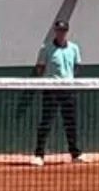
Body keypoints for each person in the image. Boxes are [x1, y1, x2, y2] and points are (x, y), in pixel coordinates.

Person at [32, 19, 86, 166]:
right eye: (58, 31)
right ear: (55, 32)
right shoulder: (46, 49)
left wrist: (68, 80)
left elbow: (76, 66)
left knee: (71, 123)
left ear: (66, 32)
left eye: (63, 31)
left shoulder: (74, 48)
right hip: (51, 90)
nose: (61, 33)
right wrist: (50, 79)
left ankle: (75, 154)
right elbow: (40, 68)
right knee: (46, 122)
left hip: (69, 90)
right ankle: (39, 155)